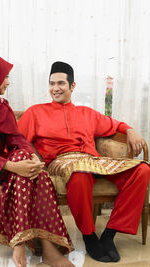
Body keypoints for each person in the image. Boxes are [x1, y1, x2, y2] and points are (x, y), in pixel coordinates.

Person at [18, 61, 150, 263]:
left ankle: (109, 235)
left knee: (142, 170)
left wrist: (130, 130)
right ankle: (89, 236)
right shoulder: (35, 112)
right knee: (79, 174)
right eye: (52, 83)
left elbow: (116, 125)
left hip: (93, 161)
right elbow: (16, 140)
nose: (55, 88)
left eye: (61, 83)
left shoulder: (86, 113)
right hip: (62, 162)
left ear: (72, 86)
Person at [0, 55, 75, 267]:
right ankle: (43, 250)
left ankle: (25, 244)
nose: (8, 82)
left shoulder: (2, 106)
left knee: (33, 167)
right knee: (22, 169)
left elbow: (16, 138)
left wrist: (33, 158)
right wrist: (12, 166)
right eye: (5, 77)